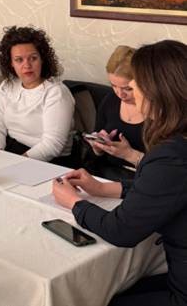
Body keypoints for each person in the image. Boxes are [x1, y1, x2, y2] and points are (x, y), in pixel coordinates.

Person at [52, 39, 187, 306]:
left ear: (156, 92)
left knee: (99, 297)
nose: (130, 94)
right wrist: (103, 188)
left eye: (134, 86)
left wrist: (74, 203)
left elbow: (120, 230)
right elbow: (164, 189)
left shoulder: (171, 155)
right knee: (113, 290)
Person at [0, 25, 75, 165]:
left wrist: (15, 164)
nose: (27, 65)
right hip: (12, 150)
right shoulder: (7, 86)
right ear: (11, 63)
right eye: (19, 60)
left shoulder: (56, 92)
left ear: (42, 59)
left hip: (50, 161)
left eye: (33, 58)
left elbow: (53, 145)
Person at [85, 46, 145, 181]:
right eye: (113, 86)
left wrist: (129, 154)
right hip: (106, 175)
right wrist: (98, 148)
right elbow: (92, 159)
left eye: (128, 89)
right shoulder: (110, 100)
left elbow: (167, 168)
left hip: (143, 180)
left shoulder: (158, 112)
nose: (120, 94)